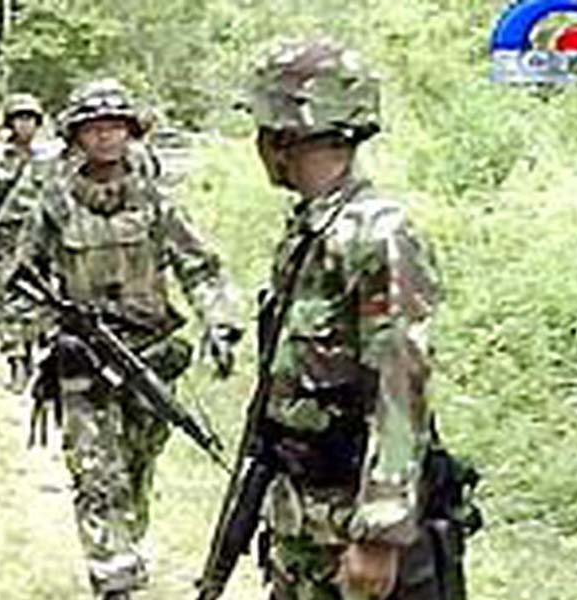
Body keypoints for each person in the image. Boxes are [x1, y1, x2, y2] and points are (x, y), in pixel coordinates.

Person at [199, 40, 478, 600]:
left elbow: (401, 381)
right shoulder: (312, 231)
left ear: (283, 134)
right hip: (305, 514)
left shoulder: (377, 234)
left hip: (352, 512)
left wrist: (380, 531)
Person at [11, 79, 242, 599]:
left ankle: (128, 549)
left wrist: (220, 323)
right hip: (81, 365)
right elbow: (21, 282)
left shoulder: (157, 200)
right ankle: (112, 580)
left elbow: (200, 268)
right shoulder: (55, 203)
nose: (107, 138)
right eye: (95, 128)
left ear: (131, 133)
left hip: (149, 358)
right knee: (96, 475)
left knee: (137, 468)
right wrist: (47, 337)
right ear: (77, 136)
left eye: (116, 126)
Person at [0, 92, 51, 391]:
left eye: (30, 119)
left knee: (47, 299)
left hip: (45, 238)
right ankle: (17, 361)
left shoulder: (49, 159)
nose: (25, 125)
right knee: (10, 298)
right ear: (9, 123)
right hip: (7, 236)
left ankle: (44, 359)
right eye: (19, 118)